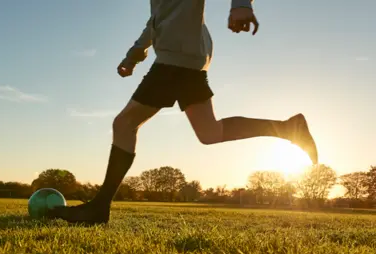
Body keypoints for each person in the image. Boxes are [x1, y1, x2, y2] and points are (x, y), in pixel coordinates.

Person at [48, 0, 318, 225]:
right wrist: (133, 55)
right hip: (187, 59)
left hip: (175, 60)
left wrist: (241, 4)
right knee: (209, 132)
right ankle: (287, 128)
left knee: (124, 123)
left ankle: (98, 208)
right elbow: (157, 20)